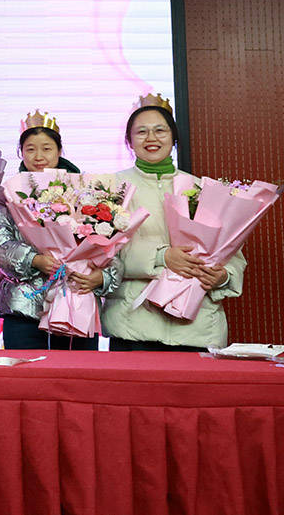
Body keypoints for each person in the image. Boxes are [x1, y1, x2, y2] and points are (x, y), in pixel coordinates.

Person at [102, 94, 245, 352]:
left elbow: (232, 253)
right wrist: (162, 257)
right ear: (129, 141)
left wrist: (223, 276)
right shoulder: (111, 189)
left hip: (198, 327)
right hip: (133, 325)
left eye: (160, 130)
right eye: (141, 132)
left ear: (174, 138)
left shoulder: (201, 188)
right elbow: (101, 254)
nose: (151, 138)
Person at [0, 110, 117, 350]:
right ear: (21, 152)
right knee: (26, 372)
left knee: (77, 373)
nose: (39, 156)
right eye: (30, 149)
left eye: (47, 148)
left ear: (59, 151)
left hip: (76, 302)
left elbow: (110, 244)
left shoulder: (87, 192)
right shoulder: (7, 194)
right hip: (24, 305)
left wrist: (101, 277)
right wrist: (35, 260)